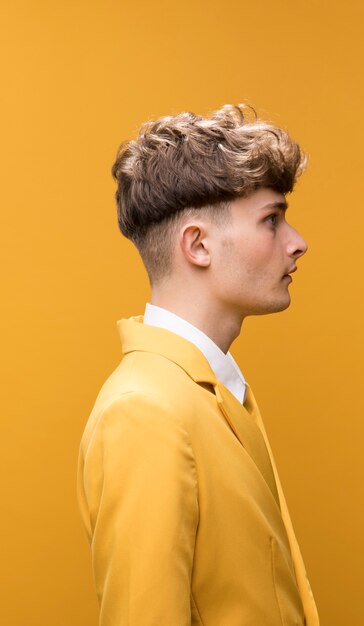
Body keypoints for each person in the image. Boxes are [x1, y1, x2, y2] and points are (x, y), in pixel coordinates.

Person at [77, 103, 320, 626]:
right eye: (271, 220)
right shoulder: (145, 412)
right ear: (198, 245)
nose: (298, 243)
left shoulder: (209, 392)